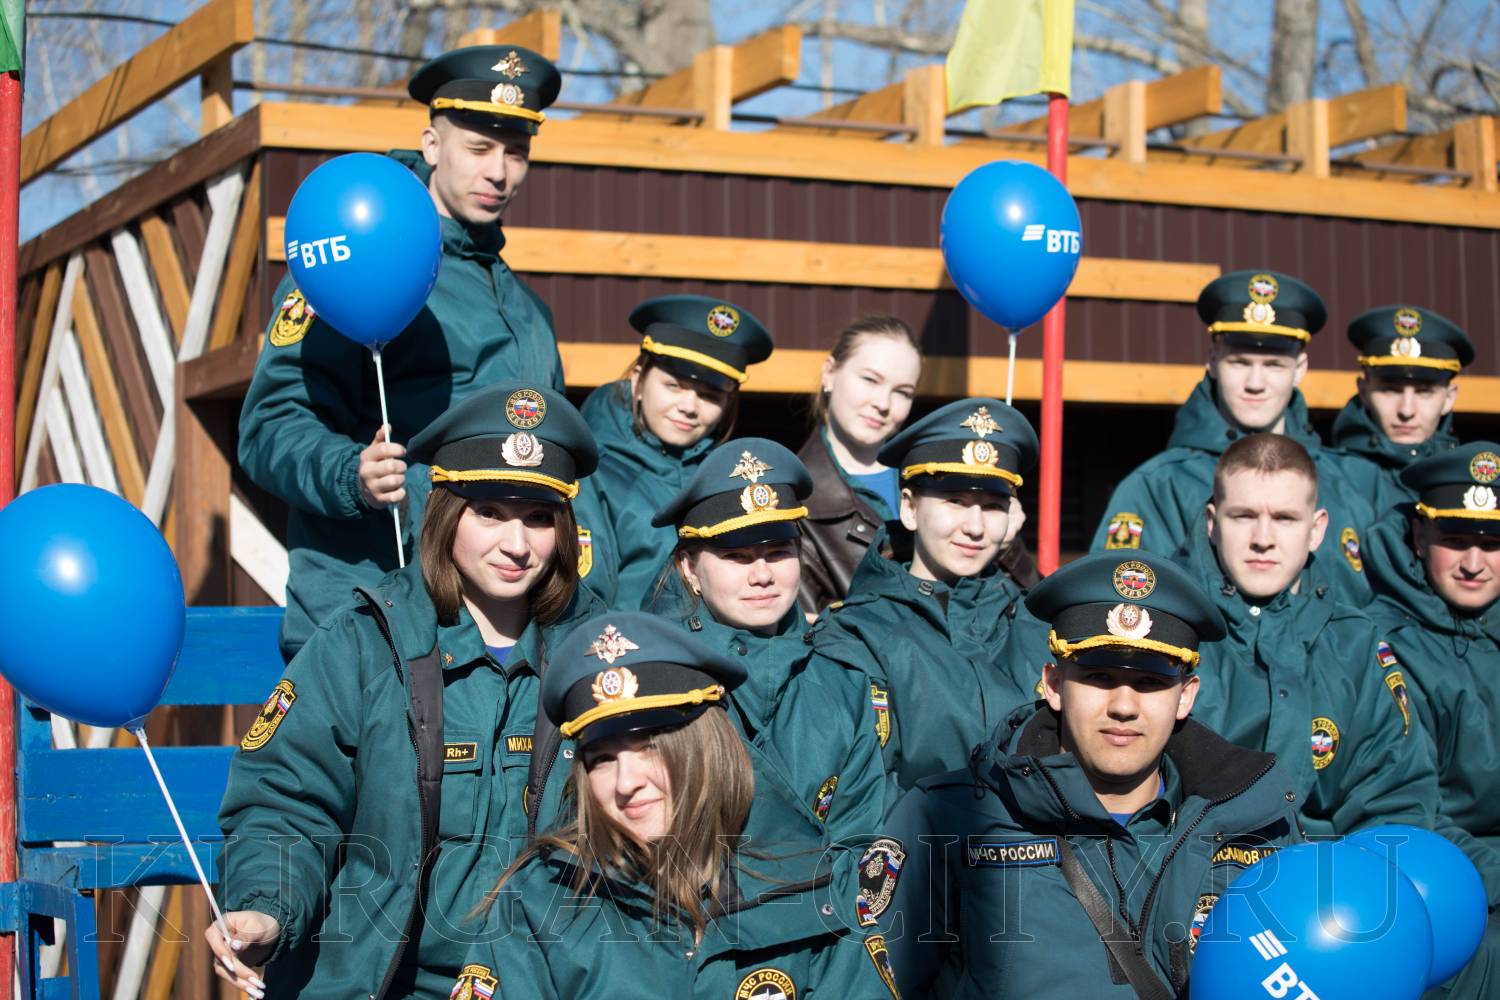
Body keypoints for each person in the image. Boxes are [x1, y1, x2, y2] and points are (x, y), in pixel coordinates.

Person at [209, 382, 600, 1000]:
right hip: (389, 985)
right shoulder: (363, 644)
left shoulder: (603, 655)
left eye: (538, 517)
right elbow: (287, 802)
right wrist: (267, 908)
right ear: (445, 512)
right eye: (489, 512)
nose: (517, 544)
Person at [239, 46, 567, 660]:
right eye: (479, 148)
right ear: (432, 144)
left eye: (516, 152)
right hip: (368, 619)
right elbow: (269, 427)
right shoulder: (354, 252)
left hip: (498, 631)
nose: (500, 172)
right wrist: (352, 476)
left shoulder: (529, 311)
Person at [876, 552, 1303, 998]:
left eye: (1151, 683)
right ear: (1054, 685)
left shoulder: (1258, 822)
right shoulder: (946, 820)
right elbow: (874, 985)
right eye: (1099, 677)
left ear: (1185, 696)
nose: (1123, 706)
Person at [454, 612, 902, 999]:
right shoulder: (539, 898)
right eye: (603, 760)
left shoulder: (813, 885)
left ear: (705, 746)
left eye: (650, 747)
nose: (627, 783)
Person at [1162, 433, 1494, 871]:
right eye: (1243, 516)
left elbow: (1394, 801)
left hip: (1325, 889)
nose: (1263, 538)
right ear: (1212, 521)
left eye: (1285, 518)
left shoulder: (1354, 644)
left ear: (1317, 529)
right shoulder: (1166, 630)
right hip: (1184, 881)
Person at [645, 438, 887, 843]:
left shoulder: (846, 685)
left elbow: (859, 840)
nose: (762, 575)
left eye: (778, 553)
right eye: (737, 557)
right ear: (689, 568)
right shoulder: (654, 682)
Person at [1091, 270, 1374, 604]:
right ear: (1213, 361)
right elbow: (1117, 609)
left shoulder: (1347, 485)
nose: (1255, 383)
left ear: (1300, 368)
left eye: (1274, 365)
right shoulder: (1157, 486)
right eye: (1239, 363)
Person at [809, 398, 1044, 796]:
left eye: (992, 506)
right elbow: (860, 795)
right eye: (955, 501)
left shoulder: (1038, 624)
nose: (975, 527)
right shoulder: (858, 634)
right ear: (910, 508)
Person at [570, 295, 774, 608]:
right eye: (674, 386)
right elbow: (584, 609)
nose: (689, 407)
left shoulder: (734, 479)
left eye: (710, 395)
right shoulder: (589, 473)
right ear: (638, 379)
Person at [1365, 442, 1500, 902]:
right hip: (1450, 879)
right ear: (1420, 537)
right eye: (1456, 542)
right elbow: (1412, 808)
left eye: (1492, 545)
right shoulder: (1384, 645)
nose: (1474, 565)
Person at [1330, 304, 1474, 515]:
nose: (1406, 411)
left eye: (1424, 392)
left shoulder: (1473, 482)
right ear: (1363, 391)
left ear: (1449, 398)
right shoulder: (1328, 477)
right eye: (1390, 390)